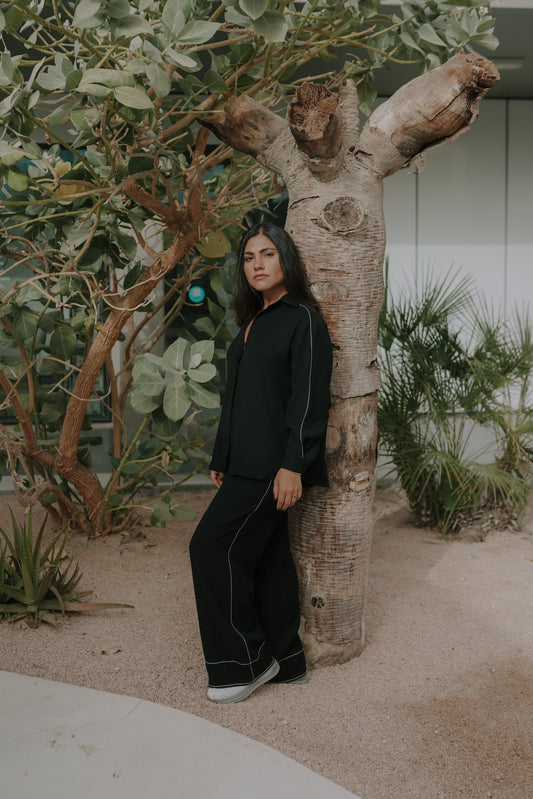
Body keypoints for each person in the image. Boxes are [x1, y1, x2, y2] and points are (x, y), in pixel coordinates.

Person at [188, 220, 332, 704]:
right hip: (242, 462)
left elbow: (308, 400)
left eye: (267, 254)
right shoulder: (249, 322)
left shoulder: (303, 319)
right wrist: (220, 453)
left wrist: (293, 463)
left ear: (285, 259)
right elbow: (237, 400)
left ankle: (245, 662)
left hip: (273, 466)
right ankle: (287, 660)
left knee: (209, 547)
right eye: (249, 258)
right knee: (268, 560)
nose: (257, 265)